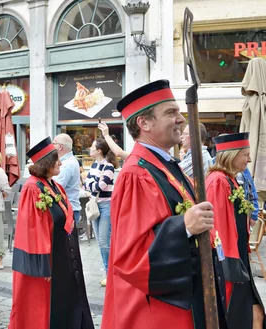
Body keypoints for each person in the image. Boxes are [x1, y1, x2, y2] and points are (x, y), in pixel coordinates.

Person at [102, 80, 228, 329]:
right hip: (157, 310)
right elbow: (131, 255)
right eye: (171, 112)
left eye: (179, 111)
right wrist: (184, 227)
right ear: (144, 123)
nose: (181, 119)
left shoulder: (165, 165)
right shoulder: (136, 174)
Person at [9, 137, 93, 329]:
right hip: (48, 260)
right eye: (57, 159)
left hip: (63, 255)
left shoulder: (53, 185)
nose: (61, 163)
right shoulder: (32, 188)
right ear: (47, 163)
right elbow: (30, 230)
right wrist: (41, 264)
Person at [206, 133, 265, 329]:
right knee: (247, 315)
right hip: (231, 261)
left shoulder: (229, 179)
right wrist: (229, 264)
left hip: (239, 257)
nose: (249, 159)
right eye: (245, 154)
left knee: (255, 314)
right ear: (232, 155)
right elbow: (218, 228)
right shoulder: (218, 180)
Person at [83, 138, 117, 287]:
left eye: (92, 147)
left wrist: (90, 184)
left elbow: (100, 186)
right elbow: (86, 184)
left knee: (104, 242)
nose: (89, 149)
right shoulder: (95, 165)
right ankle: (108, 272)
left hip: (105, 206)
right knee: (100, 242)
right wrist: (91, 184)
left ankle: (111, 274)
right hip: (95, 206)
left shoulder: (109, 167)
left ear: (99, 150)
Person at [52, 134, 82, 224]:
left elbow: (56, 187)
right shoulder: (69, 161)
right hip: (69, 209)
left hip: (68, 211)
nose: (52, 146)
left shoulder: (66, 164)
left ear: (60, 147)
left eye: (53, 143)